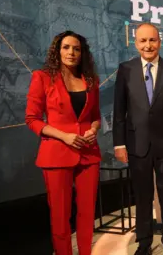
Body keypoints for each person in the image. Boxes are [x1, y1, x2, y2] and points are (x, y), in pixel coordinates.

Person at [112, 23, 163, 255]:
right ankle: (143, 242)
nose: (148, 45)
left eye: (152, 40)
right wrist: (119, 142)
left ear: (160, 41)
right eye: (143, 41)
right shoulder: (125, 70)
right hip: (136, 145)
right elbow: (119, 111)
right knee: (142, 196)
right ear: (136, 43)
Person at [25, 31, 101, 255]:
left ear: (82, 52)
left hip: (88, 154)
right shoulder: (42, 77)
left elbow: (95, 115)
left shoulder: (91, 80)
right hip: (56, 154)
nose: (71, 52)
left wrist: (94, 129)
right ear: (57, 51)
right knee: (60, 216)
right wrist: (63, 136)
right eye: (66, 47)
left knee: (87, 214)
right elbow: (32, 119)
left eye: (76, 49)